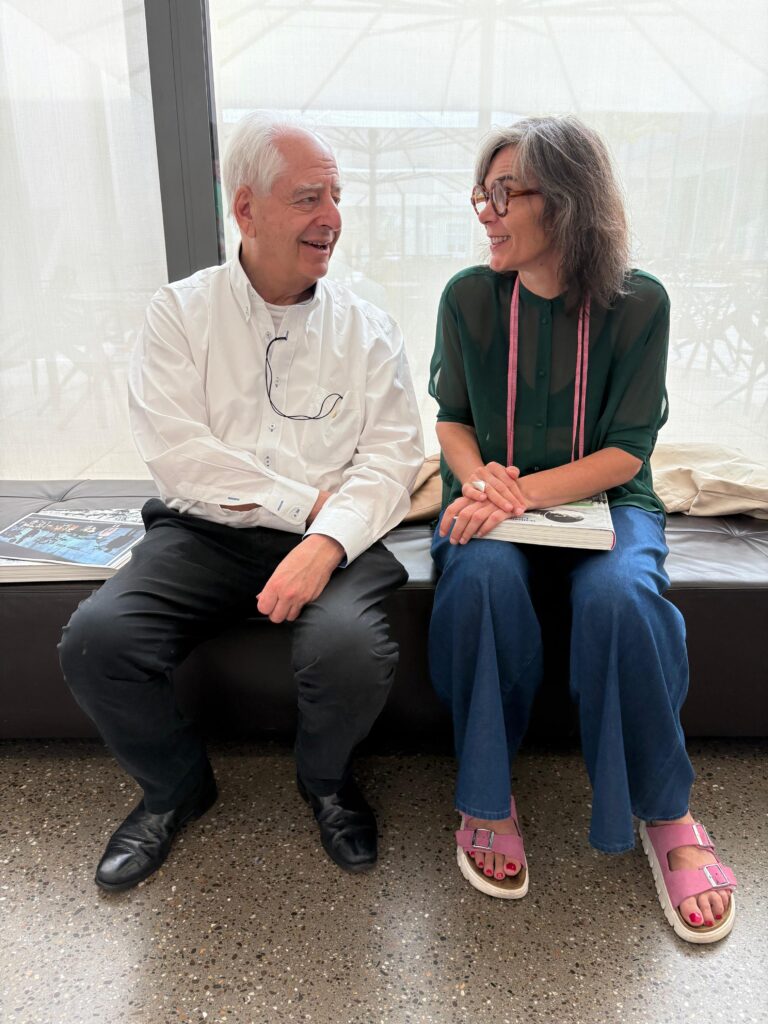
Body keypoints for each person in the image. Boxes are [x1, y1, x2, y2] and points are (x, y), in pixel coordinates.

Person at [59, 112, 424, 890]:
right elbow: (178, 453)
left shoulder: (367, 328)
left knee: (350, 650)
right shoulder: (179, 313)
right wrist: (303, 504)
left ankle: (326, 785)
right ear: (246, 209)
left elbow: (393, 459)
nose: (331, 217)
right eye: (308, 198)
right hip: (204, 536)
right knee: (96, 639)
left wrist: (323, 540)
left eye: (336, 196)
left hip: (340, 537)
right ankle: (174, 789)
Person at [427, 115, 736, 943]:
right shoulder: (467, 297)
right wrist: (479, 481)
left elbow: (626, 453)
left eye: (504, 193)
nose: (485, 211)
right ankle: (485, 798)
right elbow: (452, 419)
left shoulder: (641, 303)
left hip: (607, 501)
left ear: (565, 200)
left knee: (623, 597)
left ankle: (668, 813)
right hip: (491, 498)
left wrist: (515, 496)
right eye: (481, 193)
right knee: (482, 578)